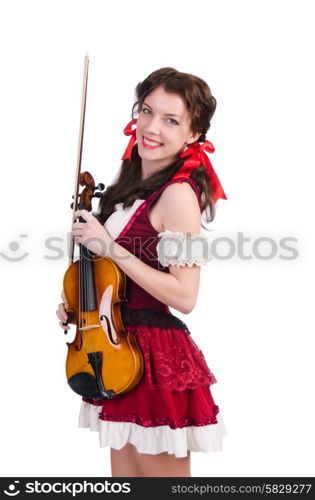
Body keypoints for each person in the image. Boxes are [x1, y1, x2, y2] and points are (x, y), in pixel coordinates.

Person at [56, 67, 227, 477]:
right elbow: (113, 277)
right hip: (115, 353)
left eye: (171, 120)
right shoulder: (129, 184)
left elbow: (185, 297)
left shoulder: (178, 196)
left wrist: (109, 247)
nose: (151, 127)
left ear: (193, 134)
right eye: (147, 111)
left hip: (153, 362)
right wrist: (79, 306)